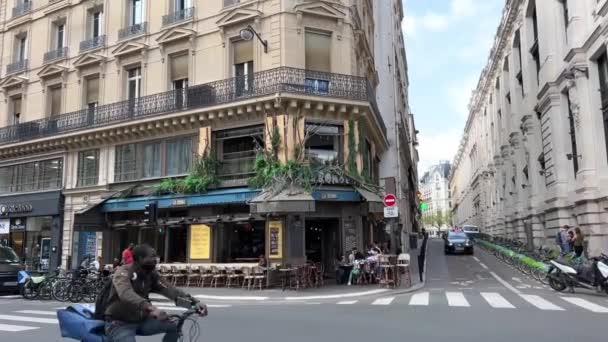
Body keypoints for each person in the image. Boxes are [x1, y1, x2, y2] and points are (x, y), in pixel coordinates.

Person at [104, 244, 208, 342]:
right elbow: (125, 293)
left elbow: (170, 290)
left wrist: (194, 303)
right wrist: (151, 308)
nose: (156, 260)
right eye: (152, 256)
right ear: (140, 258)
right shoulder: (123, 272)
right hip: (119, 323)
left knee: (173, 326)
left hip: (142, 320)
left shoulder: (151, 274)